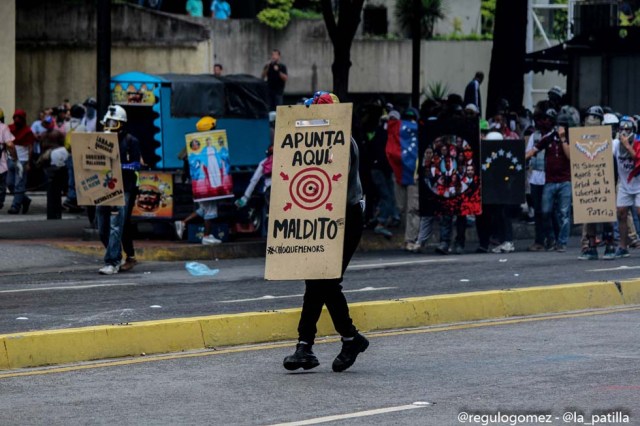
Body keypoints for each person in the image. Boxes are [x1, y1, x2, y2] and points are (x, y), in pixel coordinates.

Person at [283, 92, 369, 373]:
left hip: (344, 218)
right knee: (315, 281)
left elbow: (329, 177)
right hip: (318, 216)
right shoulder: (318, 140)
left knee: (326, 281)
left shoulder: (342, 142)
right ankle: (307, 346)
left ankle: (346, 338)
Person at [95, 105, 141, 274]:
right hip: (104, 187)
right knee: (102, 225)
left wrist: (119, 166)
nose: (109, 125)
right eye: (108, 122)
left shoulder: (131, 141)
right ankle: (115, 253)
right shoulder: (101, 140)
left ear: (122, 124)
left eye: (114, 122)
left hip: (125, 187)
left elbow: (136, 164)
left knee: (117, 224)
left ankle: (112, 262)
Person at [526, 108, 572, 252]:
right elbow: (534, 150)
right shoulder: (549, 137)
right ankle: (551, 238)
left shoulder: (570, 138)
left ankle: (562, 242)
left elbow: (570, 156)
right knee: (545, 211)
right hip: (550, 180)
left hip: (565, 181)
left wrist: (563, 138)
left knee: (564, 214)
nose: (560, 128)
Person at [175, 116, 223, 245]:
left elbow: (181, 155)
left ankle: (182, 223)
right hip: (205, 180)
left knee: (203, 208)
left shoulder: (194, 142)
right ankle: (206, 236)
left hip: (200, 181)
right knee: (210, 209)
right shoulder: (204, 143)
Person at [612, 117, 639, 258]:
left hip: (638, 184)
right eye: (622, 129)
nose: (624, 132)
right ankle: (623, 246)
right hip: (624, 183)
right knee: (621, 213)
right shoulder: (616, 144)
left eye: (627, 130)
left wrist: (628, 146)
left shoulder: (638, 142)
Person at [7, 109, 35, 215]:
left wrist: (28, 163)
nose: (17, 120)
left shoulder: (28, 131)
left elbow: (30, 147)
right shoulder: (9, 128)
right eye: (16, 117)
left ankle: (15, 206)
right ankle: (25, 200)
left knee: (19, 184)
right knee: (10, 184)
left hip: (22, 161)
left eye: (20, 118)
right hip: (10, 159)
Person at [39, 116, 68, 220]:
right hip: (48, 161)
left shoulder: (57, 133)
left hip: (56, 160)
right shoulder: (43, 135)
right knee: (51, 187)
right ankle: (54, 210)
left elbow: (63, 145)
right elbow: (41, 147)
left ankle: (55, 210)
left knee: (55, 187)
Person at [63, 104, 87, 212]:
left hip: (69, 154)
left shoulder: (67, 125)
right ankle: (72, 199)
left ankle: (72, 199)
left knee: (70, 178)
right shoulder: (82, 127)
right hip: (79, 156)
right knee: (78, 179)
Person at [0, 108, 16, 210]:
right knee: (1, 185)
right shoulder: (3, 127)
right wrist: (15, 158)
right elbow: (10, 144)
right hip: (1, 164)